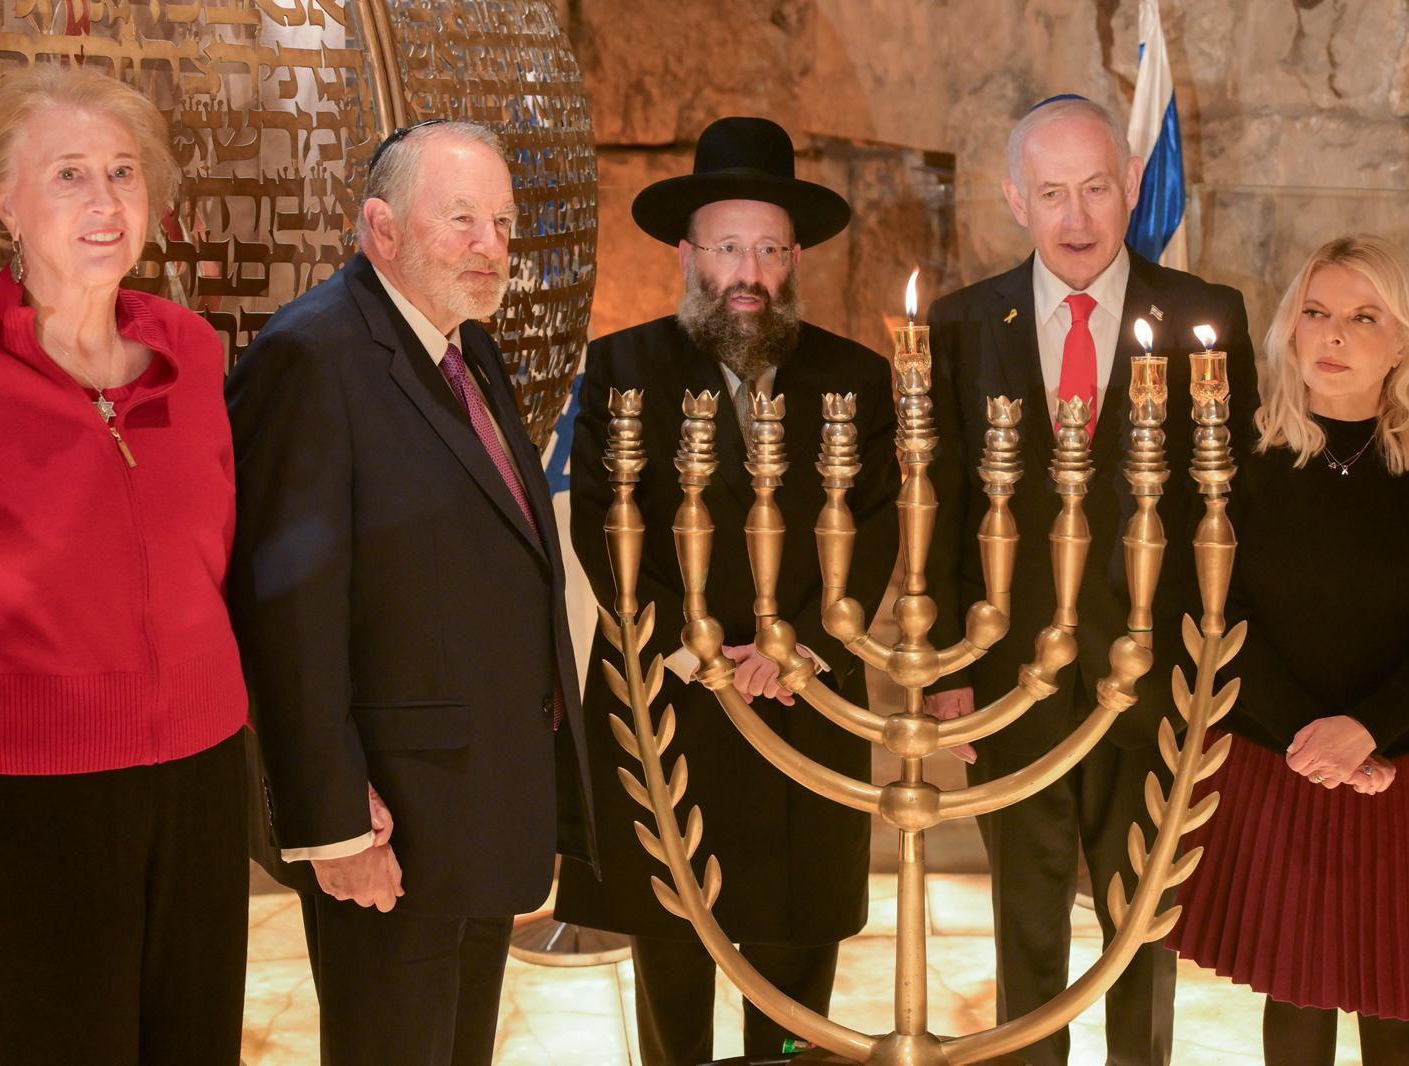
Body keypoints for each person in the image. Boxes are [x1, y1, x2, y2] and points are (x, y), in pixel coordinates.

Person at [225, 119, 597, 1066]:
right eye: (461, 219)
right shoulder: (313, 356)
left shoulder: (468, 347)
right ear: (380, 229)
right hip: (389, 820)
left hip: (476, 806)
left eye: (504, 225)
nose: (490, 247)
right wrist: (332, 822)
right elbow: (285, 613)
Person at [0, 65, 250, 1063]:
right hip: (29, 793)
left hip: (199, 776)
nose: (107, 202)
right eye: (69, 175)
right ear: (3, 202)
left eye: (123, 172)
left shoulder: (190, 350)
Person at [553, 116, 899, 1064]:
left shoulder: (856, 379)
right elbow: (601, 528)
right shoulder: (621, 369)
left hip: (807, 697)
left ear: (795, 259)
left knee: (796, 964)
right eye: (728, 248)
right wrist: (700, 647)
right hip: (669, 694)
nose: (749, 273)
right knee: (673, 938)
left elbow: (875, 528)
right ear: (687, 253)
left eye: (770, 251)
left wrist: (798, 645)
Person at [922, 94, 1259, 1066]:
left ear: (1131, 188)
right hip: (1010, 668)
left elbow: (1228, 507)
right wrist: (948, 663)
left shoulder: (1206, 319)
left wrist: (1217, 666)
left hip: (1157, 670)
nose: (1077, 219)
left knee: (1142, 913)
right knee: (1023, 911)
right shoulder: (959, 325)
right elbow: (937, 504)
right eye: (1053, 192)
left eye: (1098, 189)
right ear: (1014, 198)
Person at [1167, 234, 1409, 1065]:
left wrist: (1365, 731)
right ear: (1290, 330)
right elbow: (1219, 607)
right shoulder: (1249, 451)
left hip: (1408, 764)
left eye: (1363, 317)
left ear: (1403, 341)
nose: (1335, 336)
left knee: (1397, 1008)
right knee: (1296, 996)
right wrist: (1313, 742)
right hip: (1277, 756)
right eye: (1316, 313)